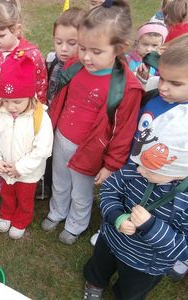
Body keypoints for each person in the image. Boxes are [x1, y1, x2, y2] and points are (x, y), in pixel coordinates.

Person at [83, 40, 188, 300]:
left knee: (130, 292)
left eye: (175, 83)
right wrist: (117, 217)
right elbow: (109, 191)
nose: (142, 171)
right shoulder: (137, 168)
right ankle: (94, 284)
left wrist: (151, 227)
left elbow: (182, 251)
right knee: (98, 268)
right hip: (112, 240)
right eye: (161, 78)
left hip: (146, 264)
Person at [41, 0, 144, 245]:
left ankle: (76, 224)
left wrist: (110, 164)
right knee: (60, 180)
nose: (86, 57)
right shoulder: (74, 66)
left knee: (81, 190)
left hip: (89, 150)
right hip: (62, 138)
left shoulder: (126, 88)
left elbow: (124, 131)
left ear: (120, 48)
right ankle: (57, 211)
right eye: (82, 47)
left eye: (96, 52)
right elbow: (60, 101)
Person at [0, 0, 48, 200]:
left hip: (23, 114)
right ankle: (0, 180)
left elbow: (40, 84)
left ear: (16, 29)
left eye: (1, 35)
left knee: (21, 149)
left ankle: (26, 180)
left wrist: (38, 113)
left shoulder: (31, 54)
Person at [0, 55, 53, 239]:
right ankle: (6, 214)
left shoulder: (40, 117)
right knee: (7, 193)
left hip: (28, 173)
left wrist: (20, 168)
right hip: (5, 167)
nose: (11, 106)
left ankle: (21, 220)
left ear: (30, 96)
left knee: (24, 198)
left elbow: (43, 149)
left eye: (17, 102)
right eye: (6, 100)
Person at [36, 7, 87, 201]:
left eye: (72, 43)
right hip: (49, 117)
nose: (63, 48)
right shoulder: (52, 61)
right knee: (47, 152)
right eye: (59, 42)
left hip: (68, 125)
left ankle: (67, 192)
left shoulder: (83, 69)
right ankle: (46, 184)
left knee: (63, 160)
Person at [125, 22, 168, 87]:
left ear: (161, 45)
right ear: (137, 43)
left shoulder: (160, 64)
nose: (149, 49)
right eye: (145, 44)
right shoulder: (127, 59)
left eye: (154, 45)